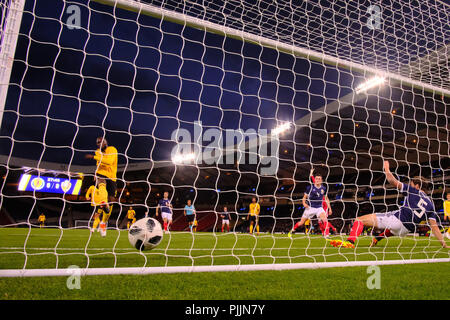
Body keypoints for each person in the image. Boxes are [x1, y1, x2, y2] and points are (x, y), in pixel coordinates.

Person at [330, 161, 449, 249]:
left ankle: (350, 242)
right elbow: (435, 227)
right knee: (394, 228)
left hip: (397, 220)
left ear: (417, 186)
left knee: (359, 220)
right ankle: (377, 238)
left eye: (411, 184)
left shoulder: (413, 191)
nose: (410, 185)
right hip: (406, 230)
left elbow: (392, 181)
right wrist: (443, 244)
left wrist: (386, 169)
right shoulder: (430, 204)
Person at [86, 137, 118, 236]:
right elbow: (100, 163)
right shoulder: (97, 152)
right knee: (101, 184)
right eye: (98, 143)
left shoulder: (112, 149)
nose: (99, 144)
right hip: (100, 174)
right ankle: (104, 202)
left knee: (112, 201)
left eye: (101, 142)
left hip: (112, 177)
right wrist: (95, 173)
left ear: (105, 142)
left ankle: (103, 223)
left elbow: (109, 161)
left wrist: (93, 157)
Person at [288, 172, 332, 238]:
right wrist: (304, 203)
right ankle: (292, 230)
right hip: (310, 208)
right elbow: (304, 197)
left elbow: (326, 199)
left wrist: (330, 208)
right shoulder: (310, 188)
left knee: (325, 219)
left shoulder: (324, 188)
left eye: (319, 179)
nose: (318, 180)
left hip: (319, 208)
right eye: (316, 179)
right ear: (315, 179)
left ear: (321, 180)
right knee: (301, 223)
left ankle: (327, 235)